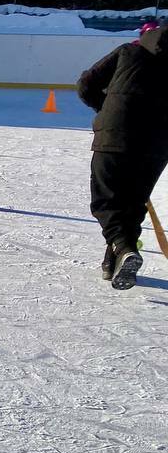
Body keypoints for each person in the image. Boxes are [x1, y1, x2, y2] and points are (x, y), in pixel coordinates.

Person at [76, 23, 167, 290]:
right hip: (157, 143)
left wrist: (108, 110)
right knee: (133, 203)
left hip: (115, 133)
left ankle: (124, 248)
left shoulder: (128, 51)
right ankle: (112, 263)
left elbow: (86, 84)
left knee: (106, 201)